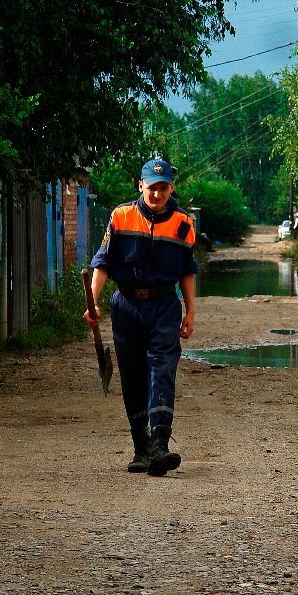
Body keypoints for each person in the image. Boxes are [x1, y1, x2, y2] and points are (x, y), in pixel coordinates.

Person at [85, 158, 198, 476]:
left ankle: (160, 445)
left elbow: (188, 271)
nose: (157, 193)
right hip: (126, 306)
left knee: (162, 369)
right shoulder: (121, 217)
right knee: (133, 374)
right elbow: (103, 263)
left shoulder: (184, 224)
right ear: (141, 186)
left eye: (163, 188)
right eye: (152, 187)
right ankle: (141, 450)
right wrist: (92, 303)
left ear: (170, 188)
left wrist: (190, 311)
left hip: (164, 305)